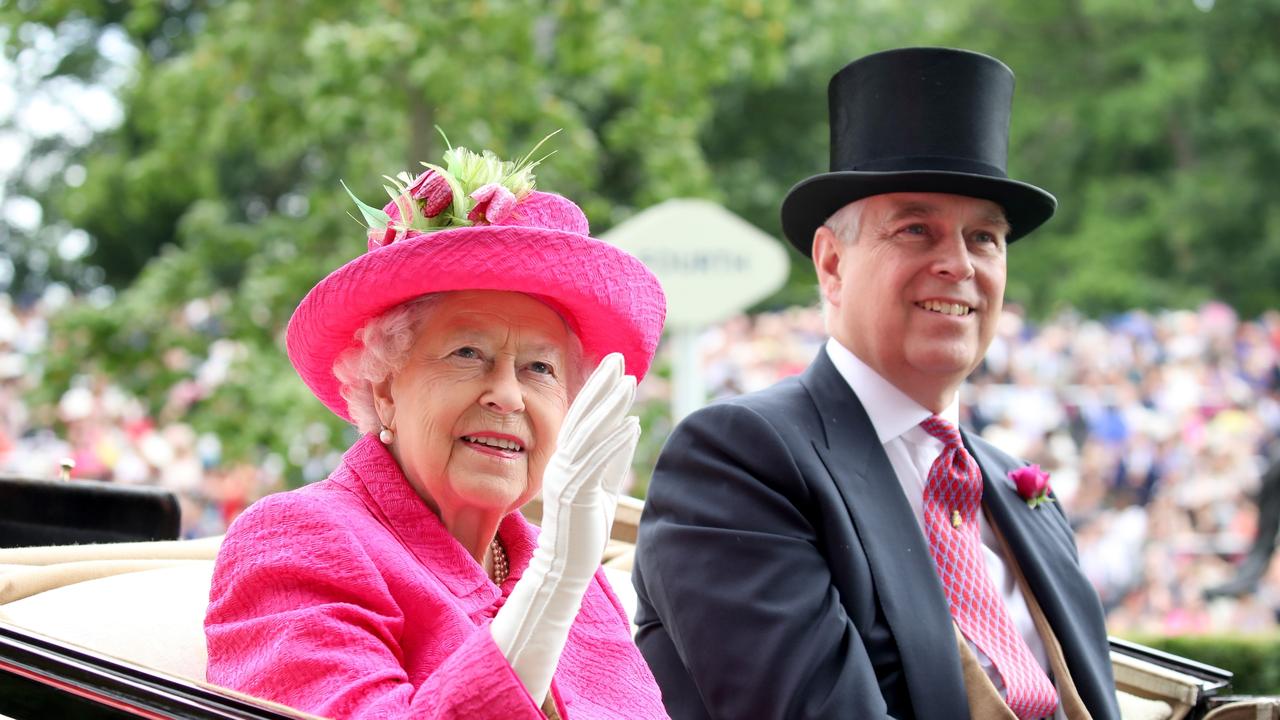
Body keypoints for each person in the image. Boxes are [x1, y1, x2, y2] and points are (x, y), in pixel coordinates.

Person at [632, 47, 1121, 720]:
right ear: (831, 265)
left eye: (984, 239)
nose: (958, 265)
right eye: (916, 230)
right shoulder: (740, 460)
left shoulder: (1018, 489)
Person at [204, 140, 669, 719]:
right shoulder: (295, 541)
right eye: (468, 352)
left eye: (539, 368)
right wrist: (549, 589)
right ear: (384, 388)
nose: (507, 392)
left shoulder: (577, 581)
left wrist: (558, 578)